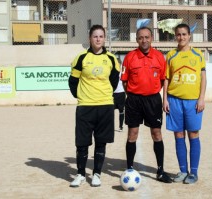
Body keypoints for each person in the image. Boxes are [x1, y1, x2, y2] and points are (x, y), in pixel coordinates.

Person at [68, 24, 120, 187]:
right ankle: (80, 174)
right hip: (85, 106)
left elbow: (114, 81)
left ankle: (96, 174)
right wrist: (82, 96)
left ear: (104, 39)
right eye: (95, 36)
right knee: (82, 143)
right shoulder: (81, 58)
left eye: (101, 36)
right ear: (90, 38)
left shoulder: (111, 59)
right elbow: (73, 82)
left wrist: (103, 95)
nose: (98, 39)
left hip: (105, 106)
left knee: (101, 141)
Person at [121, 26, 172, 183]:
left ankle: (160, 171)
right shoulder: (129, 57)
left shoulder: (159, 57)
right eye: (141, 37)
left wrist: (162, 98)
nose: (144, 40)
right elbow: (124, 81)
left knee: (156, 134)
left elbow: (164, 80)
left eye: (147, 37)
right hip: (134, 100)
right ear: (137, 39)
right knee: (132, 134)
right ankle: (129, 168)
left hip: (153, 100)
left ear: (151, 38)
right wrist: (132, 95)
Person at [163, 23, 207, 184]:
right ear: (175, 36)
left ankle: (193, 173)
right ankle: (183, 170)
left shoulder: (198, 55)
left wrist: (201, 98)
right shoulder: (171, 55)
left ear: (189, 36)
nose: (181, 37)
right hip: (174, 100)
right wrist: (165, 99)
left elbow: (203, 78)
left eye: (184, 34)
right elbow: (166, 78)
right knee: (178, 135)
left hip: (193, 101)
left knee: (193, 134)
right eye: (178, 34)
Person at [113, 58, 126, 132]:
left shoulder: (123, 71)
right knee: (111, 111)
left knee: (121, 110)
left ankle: (121, 126)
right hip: (113, 94)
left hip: (121, 93)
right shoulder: (113, 71)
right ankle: (110, 126)